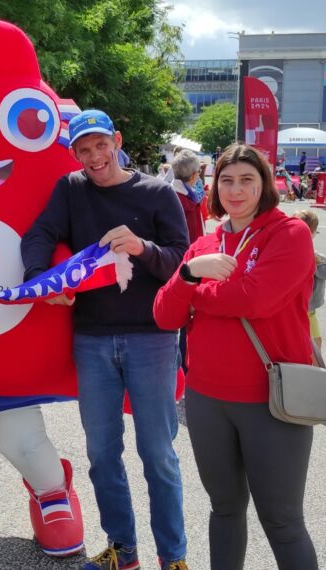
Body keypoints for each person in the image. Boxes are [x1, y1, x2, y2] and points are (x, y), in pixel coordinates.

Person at [21, 109, 190, 570]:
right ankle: (123, 549)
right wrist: (41, 280)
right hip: (92, 339)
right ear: (73, 153)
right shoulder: (70, 189)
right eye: (83, 149)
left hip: (152, 337)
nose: (94, 157)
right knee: (101, 455)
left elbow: (182, 261)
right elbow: (39, 233)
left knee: (157, 454)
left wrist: (142, 247)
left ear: (116, 140)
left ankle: (173, 558)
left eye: (100, 145)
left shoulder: (156, 191)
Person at [154, 143, 319, 570]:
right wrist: (190, 273)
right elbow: (164, 313)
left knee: (282, 521)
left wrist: (197, 291)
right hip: (208, 398)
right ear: (213, 185)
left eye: (247, 179)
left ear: (265, 184)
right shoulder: (206, 244)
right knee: (224, 509)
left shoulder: (290, 233)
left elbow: (255, 299)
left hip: (272, 398)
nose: (235, 190)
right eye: (226, 180)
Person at [292, 209, 326, 350]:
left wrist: (317, 262)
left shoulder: (317, 257)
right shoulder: (290, 253)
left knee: (315, 343)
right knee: (314, 345)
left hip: (307, 309)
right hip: (300, 308)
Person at [171, 149, 205, 245]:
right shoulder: (186, 202)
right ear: (193, 175)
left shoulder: (171, 193)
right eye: (199, 171)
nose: (199, 174)